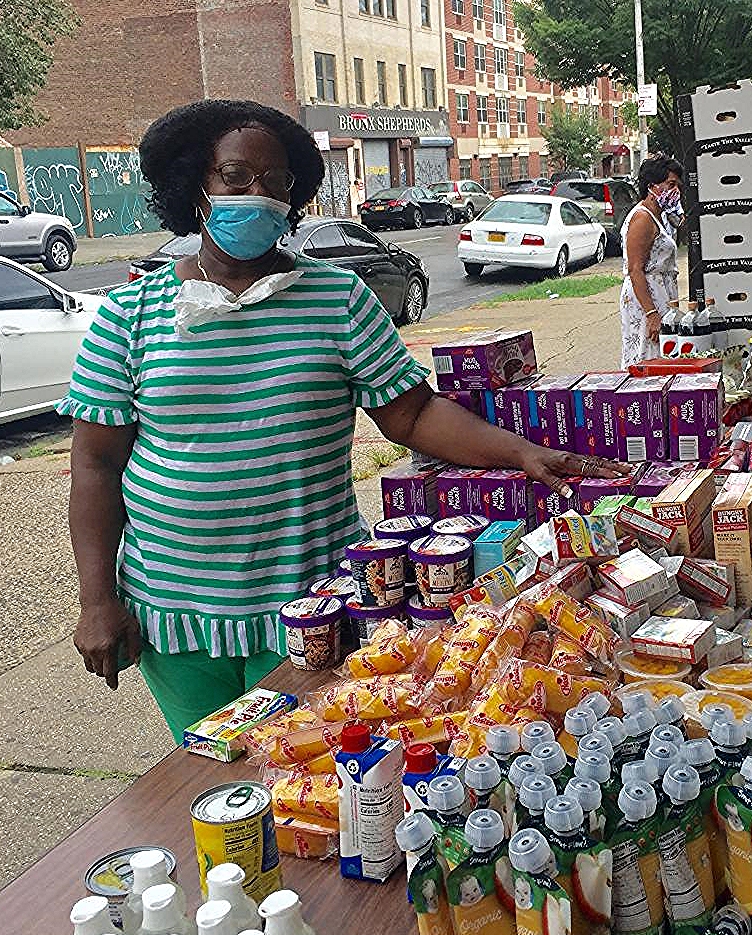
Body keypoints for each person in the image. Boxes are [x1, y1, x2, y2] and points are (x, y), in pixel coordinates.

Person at [60, 100, 627, 741]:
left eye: (278, 183)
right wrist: (97, 600)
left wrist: (519, 452)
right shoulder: (130, 313)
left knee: (309, 773)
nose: (260, 196)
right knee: (211, 780)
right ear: (196, 185)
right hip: (174, 609)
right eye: (237, 177)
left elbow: (410, 414)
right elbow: (95, 464)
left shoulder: (338, 298)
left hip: (317, 602)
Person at [619, 153, 685, 368]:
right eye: (670, 184)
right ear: (652, 186)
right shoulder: (643, 218)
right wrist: (652, 314)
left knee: (664, 355)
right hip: (647, 298)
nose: (676, 190)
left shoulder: (660, 214)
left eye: (678, 185)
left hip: (661, 294)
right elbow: (635, 269)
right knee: (648, 355)